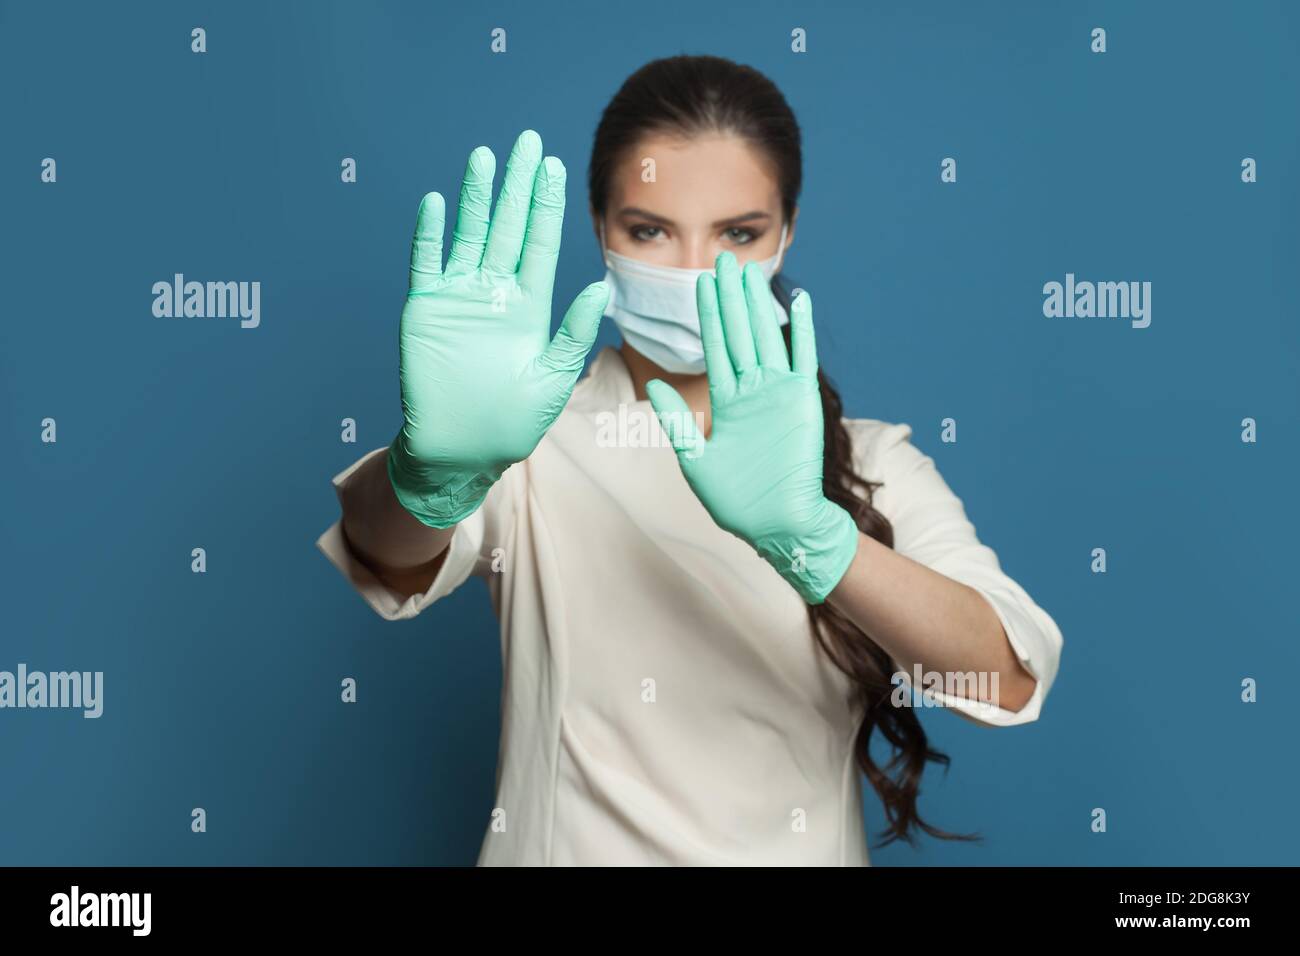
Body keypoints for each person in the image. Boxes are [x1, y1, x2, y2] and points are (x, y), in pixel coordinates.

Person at [316, 55, 1064, 866]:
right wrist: (431, 474)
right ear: (601, 227)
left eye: (738, 234)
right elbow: (384, 556)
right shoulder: (531, 436)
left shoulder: (875, 461)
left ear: (788, 233)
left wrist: (815, 538)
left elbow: (1005, 682)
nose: (694, 273)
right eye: (650, 230)